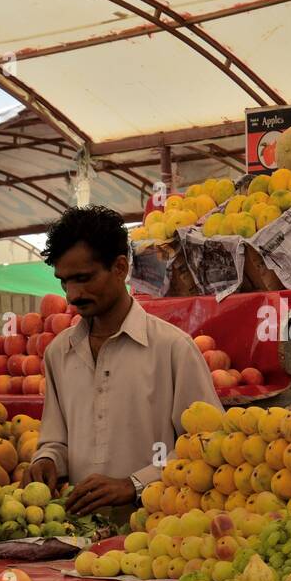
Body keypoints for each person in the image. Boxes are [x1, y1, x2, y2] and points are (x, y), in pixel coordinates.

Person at [29, 206, 221, 517]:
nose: (72, 294)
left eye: (83, 278)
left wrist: (134, 484)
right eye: (64, 282)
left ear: (119, 268)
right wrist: (46, 460)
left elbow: (206, 445)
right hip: (77, 535)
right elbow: (55, 439)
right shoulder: (58, 353)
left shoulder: (172, 349)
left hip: (159, 537)